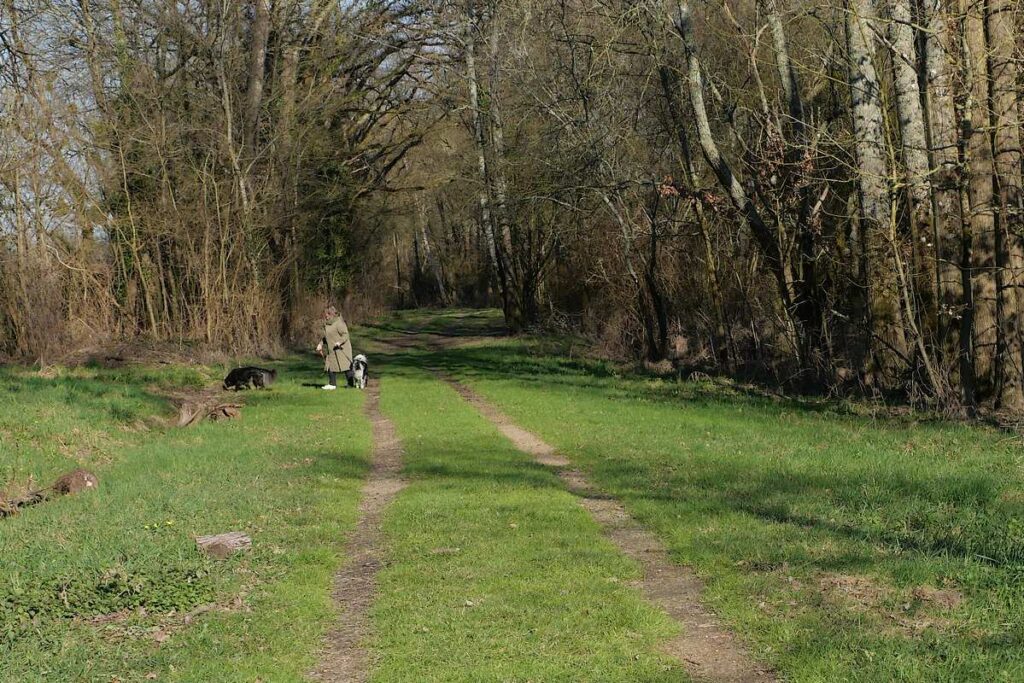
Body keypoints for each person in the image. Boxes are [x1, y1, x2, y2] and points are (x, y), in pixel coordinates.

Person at [316, 306, 353, 390]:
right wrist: (320, 344)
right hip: (332, 349)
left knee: (346, 366)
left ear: (330, 314)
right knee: (329, 365)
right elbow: (327, 337)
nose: (325, 316)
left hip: (342, 349)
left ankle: (351, 384)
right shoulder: (327, 324)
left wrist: (340, 342)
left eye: (326, 314)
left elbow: (346, 334)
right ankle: (332, 384)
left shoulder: (339, 322)